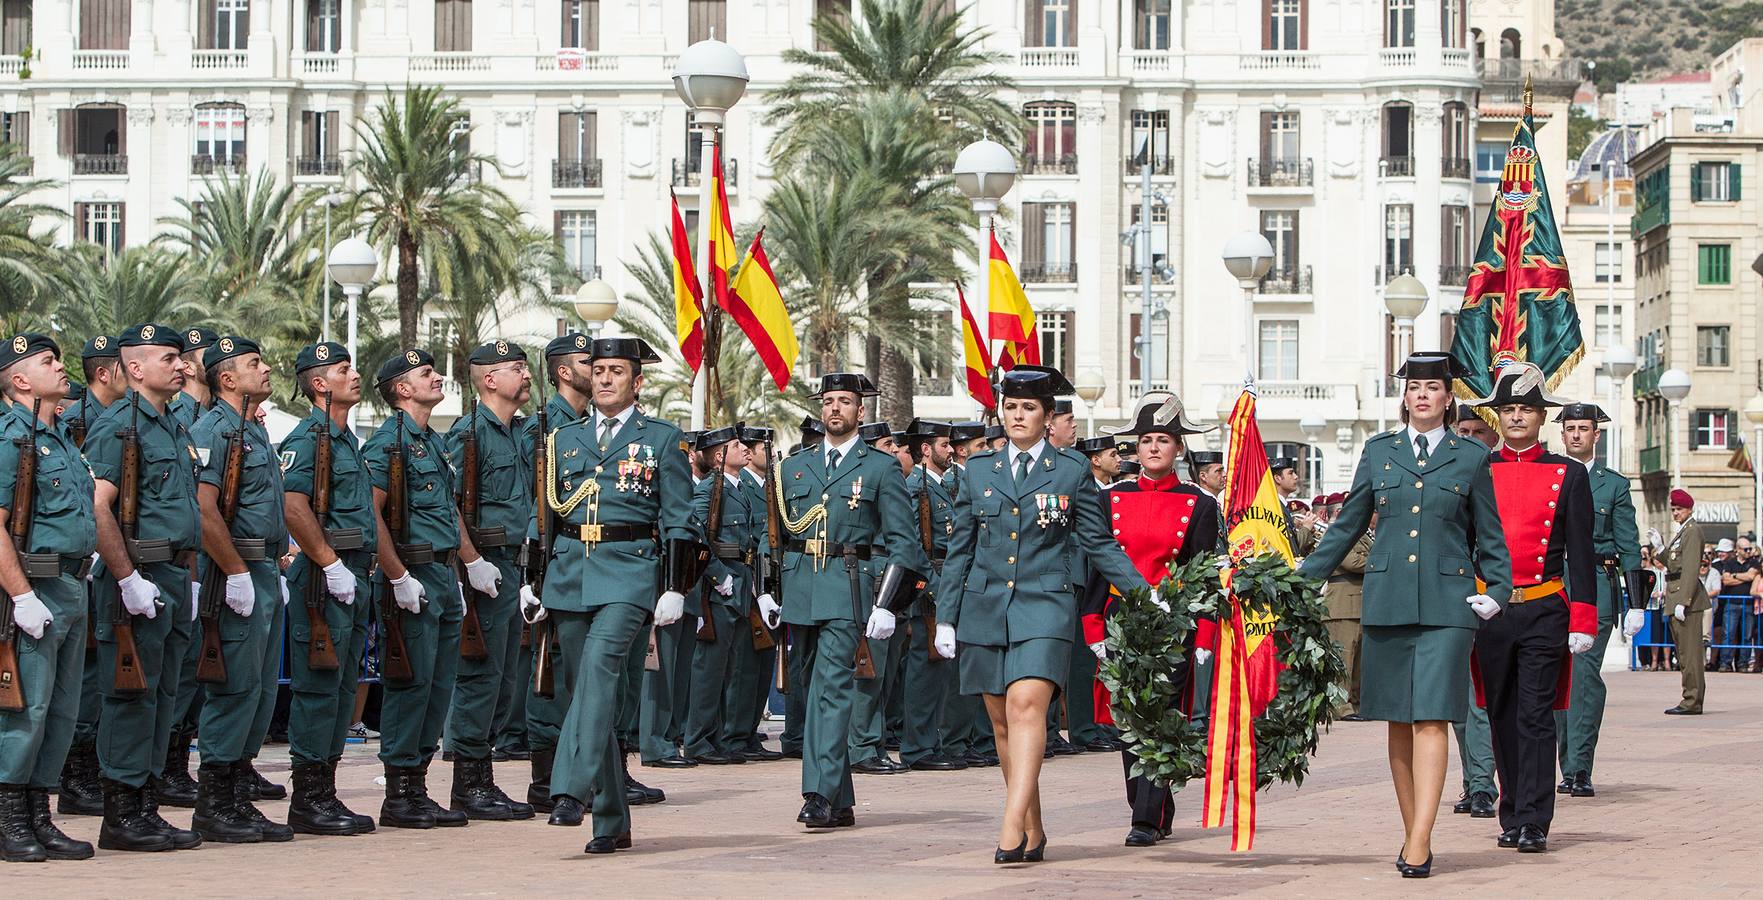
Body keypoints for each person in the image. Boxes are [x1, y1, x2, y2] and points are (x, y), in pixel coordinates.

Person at [1298, 352, 1512, 879]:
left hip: (1448, 603)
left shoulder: (1471, 457)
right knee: (1397, 719)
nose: (1422, 395)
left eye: (1432, 387)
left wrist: (1500, 589)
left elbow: (1490, 536)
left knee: (1432, 716)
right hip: (1388, 598)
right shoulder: (1379, 453)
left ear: (1447, 397)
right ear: (1405, 397)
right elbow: (1346, 526)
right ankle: (1411, 826)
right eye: (1414, 386)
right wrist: (1300, 581)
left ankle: (1420, 840)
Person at [935, 366, 1148, 863]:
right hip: (985, 607)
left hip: (1046, 605)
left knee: (1027, 705)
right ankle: (1033, 826)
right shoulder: (979, 470)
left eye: (1028, 408)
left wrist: (1142, 591)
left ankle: (1009, 826)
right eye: (1010, 407)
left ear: (1048, 418)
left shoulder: (1072, 471)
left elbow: (1098, 542)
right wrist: (946, 617)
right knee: (1002, 723)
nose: (1017, 416)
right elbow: (959, 548)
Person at [531, 337, 696, 853]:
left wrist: (675, 586)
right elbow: (543, 517)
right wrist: (529, 580)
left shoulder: (663, 439)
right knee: (588, 693)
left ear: (636, 382)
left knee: (599, 675)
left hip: (629, 573)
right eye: (597, 370)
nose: (603, 378)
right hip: (569, 573)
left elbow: (679, 520)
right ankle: (612, 821)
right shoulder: (563, 440)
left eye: (616, 371)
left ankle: (569, 789)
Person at [770, 373, 924, 828]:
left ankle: (817, 792)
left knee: (831, 691)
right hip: (801, 589)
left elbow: (904, 542)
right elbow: (773, 535)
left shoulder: (879, 468)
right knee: (809, 686)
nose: (835, 409)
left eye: (845, 402)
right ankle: (840, 800)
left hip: (848, 588)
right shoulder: (793, 468)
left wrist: (887, 604)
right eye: (829, 401)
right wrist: (766, 590)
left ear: (861, 411)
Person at [85, 323, 205, 852]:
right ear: (135, 368)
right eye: (169, 358)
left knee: (164, 696)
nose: (181, 366)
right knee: (132, 697)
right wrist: (126, 577)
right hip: (140, 578)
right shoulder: (120, 427)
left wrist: (192, 578)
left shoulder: (172, 426)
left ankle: (147, 803)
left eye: (181, 358)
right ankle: (122, 811)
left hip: (175, 576)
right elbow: (97, 507)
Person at [1081, 391, 1220, 847]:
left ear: (1179, 448)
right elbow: (1098, 566)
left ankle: (1146, 816)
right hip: (1122, 616)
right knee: (1129, 717)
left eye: (1163, 439)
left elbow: (1204, 577)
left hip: (1173, 619)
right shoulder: (1109, 498)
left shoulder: (1199, 505)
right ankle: (1150, 808)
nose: (1154, 448)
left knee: (1161, 716)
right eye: (1146, 440)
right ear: (1135, 449)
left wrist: (1204, 632)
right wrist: (1093, 624)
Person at [1468, 363, 1597, 854]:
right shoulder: (1479, 468)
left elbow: (1581, 552)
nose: (1517, 416)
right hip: (1492, 608)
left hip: (1545, 606)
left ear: (1542, 417)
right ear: (1498, 416)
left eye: (1526, 408)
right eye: (1509, 409)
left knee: (1536, 715)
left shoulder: (1567, 473)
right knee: (1500, 712)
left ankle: (1535, 819)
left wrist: (1583, 616)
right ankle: (1511, 811)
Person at [364, 348, 491, 829]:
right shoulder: (387, 444)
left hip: (440, 574)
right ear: (401, 389)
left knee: (439, 687)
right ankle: (398, 794)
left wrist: (469, 563)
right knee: (411, 685)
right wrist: (396, 575)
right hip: (412, 573)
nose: (437, 378)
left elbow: (447, 511)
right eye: (425, 374)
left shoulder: (430, 442)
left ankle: (416, 785)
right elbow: (371, 513)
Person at [187, 337, 295, 844]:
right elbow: (204, 511)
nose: (266, 368)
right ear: (227, 378)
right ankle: (215, 803)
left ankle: (235, 793)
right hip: (236, 571)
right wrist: (233, 572)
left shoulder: (251, 430)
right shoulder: (214, 430)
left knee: (258, 688)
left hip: (263, 569)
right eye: (255, 363)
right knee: (233, 688)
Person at [0, 334, 97, 862]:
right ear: (19, 380)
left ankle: (39, 813)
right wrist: (20, 595)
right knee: (25, 709)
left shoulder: (59, 438)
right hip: (33, 589)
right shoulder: (10, 438)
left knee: (61, 709)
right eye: (47, 362)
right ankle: (8, 816)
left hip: (70, 586)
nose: (60, 368)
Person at [280, 341, 378, 836]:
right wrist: (330, 563)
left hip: (353, 576)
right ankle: (308, 797)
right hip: (323, 579)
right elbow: (293, 506)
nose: (354, 375)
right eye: (343, 370)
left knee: (341, 690)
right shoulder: (308, 438)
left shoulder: (345, 441)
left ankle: (326, 789)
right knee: (319, 689)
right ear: (320, 384)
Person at [440, 340, 536, 821]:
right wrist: (471, 561)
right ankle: (469, 783)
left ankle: (482, 774)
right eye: (516, 368)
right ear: (489, 379)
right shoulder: (469, 434)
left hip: (513, 568)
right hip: (484, 569)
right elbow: (449, 504)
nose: (526, 374)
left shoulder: (517, 434)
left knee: (502, 679)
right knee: (480, 678)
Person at [1552, 403, 1641, 799]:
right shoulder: (1548, 475)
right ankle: (1564, 763)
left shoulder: (1613, 485)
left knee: (1585, 676)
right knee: (1555, 677)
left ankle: (1579, 767)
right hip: (1553, 586)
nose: (1575, 435)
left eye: (1583, 429)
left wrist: (1636, 601)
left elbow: (1630, 546)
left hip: (1597, 584)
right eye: (1570, 428)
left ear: (1596, 435)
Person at [522, 333, 595, 816]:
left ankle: (591, 769)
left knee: (586, 672)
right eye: (591, 362)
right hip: (554, 560)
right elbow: (535, 505)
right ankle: (548, 777)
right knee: (552, 672)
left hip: (588, 563)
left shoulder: (589, 428)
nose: (602, 369)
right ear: (565, 371)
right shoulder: (544, 430)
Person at [56, 335, 124, 818]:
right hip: (81, 564)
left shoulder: (117, 422)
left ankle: (85, 770)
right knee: (83, 674)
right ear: (106, 373)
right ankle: (75, 775)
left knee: (98, 671)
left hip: (99, 562)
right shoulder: (79, 421)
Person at [159, 327, 220, 813]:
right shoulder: (177, 416)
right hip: (174, 565)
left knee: (197, 672)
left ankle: (180, 762)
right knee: (175, 677)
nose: (186, 365)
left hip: (197, 565)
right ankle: (167, 767)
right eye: (185, 356)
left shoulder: (199, 418)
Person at [682, 425, 758, 765]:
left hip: (740, 583)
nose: (744, 448)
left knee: (727, 667)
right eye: (735, 445)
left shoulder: (736, 489)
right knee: (710, 669)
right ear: (718, 456)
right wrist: (717, 576)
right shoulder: (709, 490)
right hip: (720, 588)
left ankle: (717, 737)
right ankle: (698, 740)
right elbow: (697, 538)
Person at [897, 419, 964, 772]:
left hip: (946, 582)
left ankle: (930, 742)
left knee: (939, 671)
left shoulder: (941, 487)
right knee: (925, 669)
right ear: (926, 449)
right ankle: (917, 747)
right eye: (944, 444)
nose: (950, 450)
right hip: (930, 588)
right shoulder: (916, 488)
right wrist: (937, 587)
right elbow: (913, 545)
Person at [1450, 402, 1499, 819]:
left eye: (1476, 432)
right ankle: (1478, 783)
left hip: (1512, 596)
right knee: (1468, 700)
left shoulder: (1506, 473)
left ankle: (1506, 778)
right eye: (1462, 430)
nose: (1467, 438)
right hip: (1466, 595)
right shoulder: (1452, 473)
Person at [940, 421, 996, 768]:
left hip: (980, 583)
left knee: (980, 676)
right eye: (982, 445)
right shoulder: (947, 483)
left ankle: (976, 738)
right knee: (950, 678)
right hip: (958, 582)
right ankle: (954, 741)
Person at [1662, 489, 1708, 715]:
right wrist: (1660, 549)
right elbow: (1673, 564)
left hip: (1685, 599)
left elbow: (1690, 569)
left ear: (1689, 509)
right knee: (1683, 654)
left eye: (1678, 509)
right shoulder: (1683, 532)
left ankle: (1692, 700)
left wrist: (1684, 600)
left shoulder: (1692, 531)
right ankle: (1690, 697)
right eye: (1673, 509)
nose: (1675, 513)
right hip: (1676, 595)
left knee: (1690, 655)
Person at [1713, 538, 1757, 672]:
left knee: (1746, 636)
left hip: (1748, 604)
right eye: (1746, 549)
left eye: (1750, 549)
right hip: (1731, 603)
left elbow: (1752, 577)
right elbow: (1726, 580)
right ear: (1738, 550)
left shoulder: (1754, 562)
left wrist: (1734, 576)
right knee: (1728, 634)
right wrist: (1743, 578)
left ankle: (1743, 663)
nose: (1749, 551)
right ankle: (1725, 663)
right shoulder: (1730, 562)